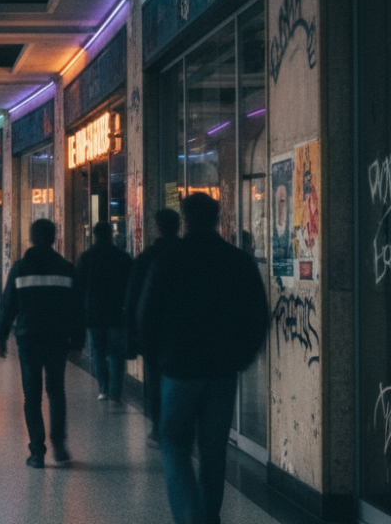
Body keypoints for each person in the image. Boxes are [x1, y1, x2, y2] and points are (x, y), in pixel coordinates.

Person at [139, 193, 269, 524]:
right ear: (216, 219)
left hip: (179, 370)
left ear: (185, 220)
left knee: (174, 442)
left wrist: (157, 358)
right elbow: (258, 317)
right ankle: (208, 516)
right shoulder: (238, 261)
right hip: (223, 370)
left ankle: (189, 515)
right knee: (214, 450)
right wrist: (242, 358)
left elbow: (147, 315)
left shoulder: (168, 260)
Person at [0, 219, 85, 468]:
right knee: (56, 391)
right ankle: (59, 446)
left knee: (31, 396)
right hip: (57, 340)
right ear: (54, 239)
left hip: (29, 340)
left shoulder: (21, 268)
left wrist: (0, 339)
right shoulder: (66, 269)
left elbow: (8, 305)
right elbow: (77, 309)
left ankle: (37, 453)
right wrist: (78, 341)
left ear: (32, 239)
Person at [123, 209, 181, 446]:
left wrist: (131, 339)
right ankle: (179, 424)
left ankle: (158, 429)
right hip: (184, 333)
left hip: (154, 334)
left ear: (157, 228)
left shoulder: (147, 257)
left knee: (155, 383)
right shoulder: (188, 255)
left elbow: (133, 300)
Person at [76, 221, 133, 402]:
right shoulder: (122, 257)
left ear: (95, 235)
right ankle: (116, 391)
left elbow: (79, 287)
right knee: (116, 353)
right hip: (116, 313)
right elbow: (130, 287)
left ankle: (103, 388)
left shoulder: (87, 257)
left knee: (98, 351)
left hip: (94, 314)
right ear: (111, 235)